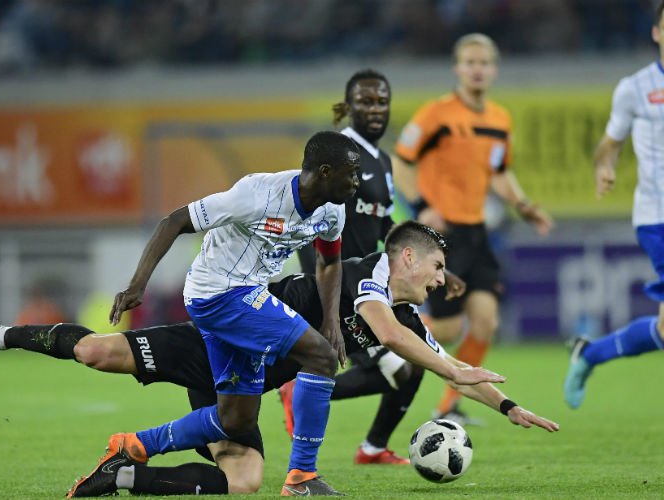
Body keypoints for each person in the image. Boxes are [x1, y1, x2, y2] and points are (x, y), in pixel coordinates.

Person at [0, 221, 547, 496]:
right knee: (97, 351)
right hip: (217, 341)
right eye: (439, 267)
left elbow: (451, 368)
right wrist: (454, 369)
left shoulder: (408, 316)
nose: (444, 280)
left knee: (244, 480)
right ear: (408, 259)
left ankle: (123, 473)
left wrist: (509, 404)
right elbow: (385, 331)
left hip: (241, 387)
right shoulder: (368, 278)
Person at [98, 130, 362, 497]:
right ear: (326, 171)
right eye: (352, 172)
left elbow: (329, 261)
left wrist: (331, 320)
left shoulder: (333, 210)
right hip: (217, 293)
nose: (357, 181)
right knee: (320, 355)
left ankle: (131, 447)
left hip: (247, 293)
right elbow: (173, 221)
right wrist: (137, 285)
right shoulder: (256, 195)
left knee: (235, 418)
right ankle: (302, 477)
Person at [287, 68, 460, 466]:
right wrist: (322, 292)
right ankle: (300, 390)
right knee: (401, 366)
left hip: (372, 285)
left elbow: (385, 225)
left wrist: (435, 263)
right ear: (348, 107)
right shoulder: (338, 155)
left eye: (382, 101)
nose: (375, 108)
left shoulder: (381, 160)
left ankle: (371, 448)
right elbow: (311, 224)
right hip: (342, 290)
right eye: (365, 101)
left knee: (410, 369)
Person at [392, 33, 554, 425]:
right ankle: (383, 342)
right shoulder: (436, 114)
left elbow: (498, 173)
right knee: (446, 328)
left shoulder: (499, 119)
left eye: (484, 63)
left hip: (477, 232)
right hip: (444, 235)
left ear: (493, 69)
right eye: (470, 62)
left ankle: (448, 406)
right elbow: (400, 162)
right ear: (457, 68)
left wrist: (523, 205)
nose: (477, 69)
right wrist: (422, 208)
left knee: (486, 321)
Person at [564, 0, 664, 409]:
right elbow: (608, 146)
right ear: (656, 32)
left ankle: (590, 353)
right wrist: (605, 168)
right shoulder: (635, 88)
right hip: (658, 218)